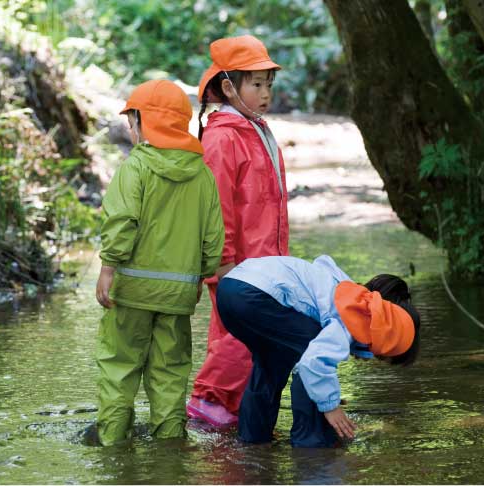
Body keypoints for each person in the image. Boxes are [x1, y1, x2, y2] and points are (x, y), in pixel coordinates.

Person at [93, 79, 224, 446]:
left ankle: (112, 445)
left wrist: (107, 268)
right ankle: (169, 449)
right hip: (178, 295)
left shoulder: (135, 168)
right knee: (170, 373)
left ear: (140, 122)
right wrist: (197, 278)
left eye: (132, 121)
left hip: (130, 292)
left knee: (119, 367)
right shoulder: (202, 174)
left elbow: (122, 222)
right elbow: (214, 239)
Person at [187, 35, 290, 427]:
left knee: (256, 344)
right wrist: (223, 263)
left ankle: (236, 421)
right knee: (237, 342)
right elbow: (218, 209)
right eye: (256, 84)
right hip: (238, 266)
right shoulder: (222, 137)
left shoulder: (257, 130)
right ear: (228, 87)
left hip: (269, 264)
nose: (265, 94)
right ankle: (205, 408)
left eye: (269, 85)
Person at [214, 254, 421, 447]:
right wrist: (329, 405)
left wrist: (324, 389)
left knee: (271, 363)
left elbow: (323, 261)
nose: (369, 358)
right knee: (310, 356)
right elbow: (313, 363)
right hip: (256, 295)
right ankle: (312, 445)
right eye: (379, 354)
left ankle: (253, 440)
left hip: (230, 289)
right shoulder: (348, 319)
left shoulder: (348, 295)